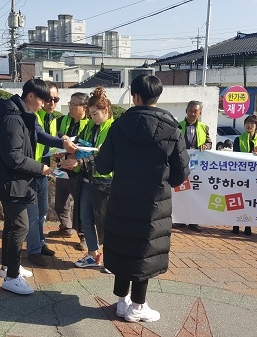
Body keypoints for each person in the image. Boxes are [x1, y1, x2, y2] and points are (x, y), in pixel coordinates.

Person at [95, 74, 190, 323]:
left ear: (135, 96)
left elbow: (103, 165)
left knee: (123, 244)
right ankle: (138, 307)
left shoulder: (119, 125)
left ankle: (121, 301)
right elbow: (180, 174)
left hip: (122, 198)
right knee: (144, 248)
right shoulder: (172, 129)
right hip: (153, 202)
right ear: (157, 96)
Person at [0, 78, 54, 295]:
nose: (44, 105)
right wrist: (40, 167)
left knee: (12, 225)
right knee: (20, 226)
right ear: (31, 96)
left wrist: (62, 143)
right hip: (11, 182)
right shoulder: (13, 119)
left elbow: (39, 134)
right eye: (43, 100)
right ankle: (12, 278)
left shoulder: (23, 114)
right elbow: (13, 157)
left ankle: (8, 268)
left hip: (15, 181)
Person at [60, 87, 114, 270]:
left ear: (106, 111)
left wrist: (79, 162)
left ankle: (110, 259)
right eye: (91, 114)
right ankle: (93, 255)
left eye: (95, 114)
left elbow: (104, 155)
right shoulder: (90, 127)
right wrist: (69, 145)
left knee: (105, 222)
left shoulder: (112, 129)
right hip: (87, 180)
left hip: (104, 182)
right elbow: (82, 145)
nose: (93, 118)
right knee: (85, 219)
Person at [25, 81, 77, 266]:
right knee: (32, 214)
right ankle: (33, 250)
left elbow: (51, 139)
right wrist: (60, 143)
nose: (52, 103)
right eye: (48, 99)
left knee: (42, 212)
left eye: (56, 99)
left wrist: (61, 142)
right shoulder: (32, 115)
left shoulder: (53, 118)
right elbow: (41, 137)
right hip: (31, 170)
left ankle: (39, 243)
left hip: (44, 171)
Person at [48, 92, 90, 252]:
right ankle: (66, 228)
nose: (70, 107)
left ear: (84, 108)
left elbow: (90, 147)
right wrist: (59, 146)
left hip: (79, 171)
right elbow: (55, 137)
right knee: (60, 202)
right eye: (70, 103)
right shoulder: (63, 120)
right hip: (62, 168)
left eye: (74, 105)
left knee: (80, 206)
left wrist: (73, 145)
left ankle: (84, 237)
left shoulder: (90, 124)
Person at [174, 100, 212, 233]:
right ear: (186, 111)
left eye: (195, 111)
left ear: (200, 113)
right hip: (182, 164)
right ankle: (180, 219)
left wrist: (206, 146)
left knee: (196, 193)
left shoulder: (204, 127)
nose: (192, 113)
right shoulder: (178, 126)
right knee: (182, 191)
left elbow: (209, 143)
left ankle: (194, 221)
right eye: (190, 110)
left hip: (198, 167)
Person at [232, 114, 257, 235]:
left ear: (256, 126)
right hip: (240, 175)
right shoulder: (238, 139)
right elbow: (234, 157)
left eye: (252, 123)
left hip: (254, 176)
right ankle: (235, 224)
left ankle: (248, 225)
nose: (249, 125)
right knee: (237, 200)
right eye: (247, 123)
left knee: (250, 201)